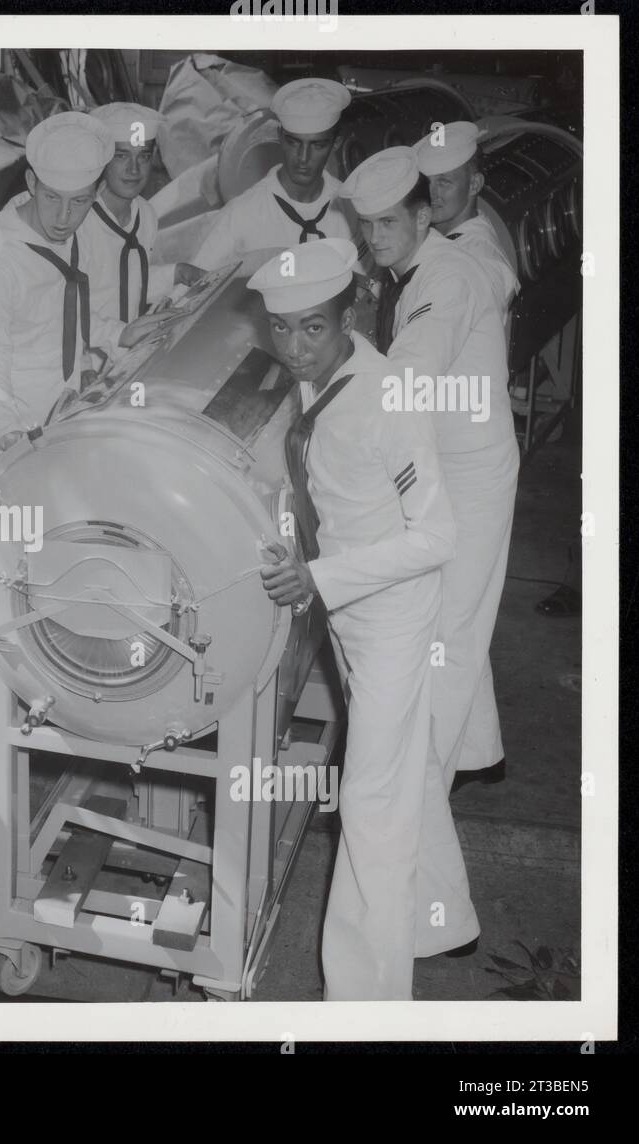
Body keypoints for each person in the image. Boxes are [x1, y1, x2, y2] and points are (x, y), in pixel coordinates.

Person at [250, 237, 471, 999]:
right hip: (349, 612)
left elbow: (438, 535)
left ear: (350, 316)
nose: (295, 347)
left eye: (313, 327)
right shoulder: (322, 381)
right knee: (400, 769)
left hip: (392, 622)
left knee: (369, 811)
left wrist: (319, 577)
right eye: (282, 329)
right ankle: (443, 921)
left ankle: (363, 1002)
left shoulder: (387, 396)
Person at [0, 111, 171, 784]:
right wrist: (9, 433)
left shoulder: (74, 236)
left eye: (82, 201)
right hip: (2, 446)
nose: (69, 215)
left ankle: (45, 739)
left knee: (48, 594)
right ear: (31, 181)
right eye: (56, 200)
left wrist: (122, 343)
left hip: (63, 437)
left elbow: (84, 323)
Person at [341, 146, 518, 793]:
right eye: (368, 227)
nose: (375, 239)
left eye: (388, 224)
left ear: (422, 216)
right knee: (457, 609)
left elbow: (407, 381)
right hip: (443, 461)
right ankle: (479, 752)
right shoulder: (413, 269)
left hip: (470, 471)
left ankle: (425, 787)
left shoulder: (447, 277)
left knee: (450, 628)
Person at [186, 77, 360, 272]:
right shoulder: (241, 214)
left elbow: (368, 289)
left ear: (335, 144)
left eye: (317, 145)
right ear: (280, 138)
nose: (303, 157)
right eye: (294, 143)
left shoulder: (350, 208)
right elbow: (193, 286)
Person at [81, 101, 201, 323]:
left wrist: (176, 273)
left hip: (127, 348)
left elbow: (128, 285)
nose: (134, 169)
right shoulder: (80, 219)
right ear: (102, 157)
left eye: (143, 156)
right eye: (122, 155)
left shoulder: (145, 215)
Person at [414, 121, 519, 320]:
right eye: (426, 182)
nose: (430, 193)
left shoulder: (480, 258)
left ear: (474, 184)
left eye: (444, 182)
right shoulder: (445, 236)